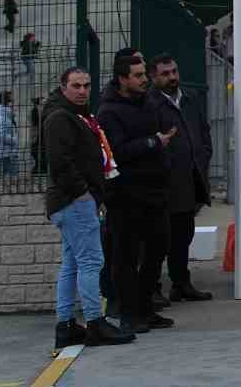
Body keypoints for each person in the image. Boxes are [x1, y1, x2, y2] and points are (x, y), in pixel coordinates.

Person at [43, 67, 134, 348]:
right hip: (74, 202)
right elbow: (60, 162)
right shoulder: (61, 117)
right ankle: (95, 322)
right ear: (63, 87)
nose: (82, 90)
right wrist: (83, 194)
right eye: (76, 85)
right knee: (91, 262)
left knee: (73, 263)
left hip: (73, 201)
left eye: (86, 85)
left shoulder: (76, 115)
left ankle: (66, 325)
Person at [97, 53, 177, 333]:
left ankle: (146, 307)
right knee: (126, 255)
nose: (144, 79)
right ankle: (129, 313)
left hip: (154, 191)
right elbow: (117, 152)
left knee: (158, 248)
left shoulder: (147, 103)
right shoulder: (109, 111)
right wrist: (153, 143)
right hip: (126, 195)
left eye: (144, 74)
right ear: (122, 79)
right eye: (138, 75)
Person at [149, 55, 214, 302]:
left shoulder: (189, 98)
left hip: (190, 180)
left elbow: (203, 132)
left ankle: (181, 284)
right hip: (164, 183)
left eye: (174, 71)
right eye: (165, 74)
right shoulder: (150, 103)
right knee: (158, 239)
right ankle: (153, 288)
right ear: (154, 77)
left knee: (184, 235)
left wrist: (203, 157)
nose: (172, 77)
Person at [0, 91, 20, 177]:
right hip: (6, 153)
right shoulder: (2, 117)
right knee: (12, 176)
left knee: (9, 176)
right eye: (11, 101)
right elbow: (1, 135)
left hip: (6, 152)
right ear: (8, 103)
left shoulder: (4, 115)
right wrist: (14, 141)